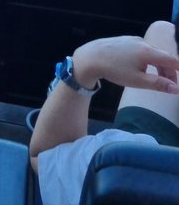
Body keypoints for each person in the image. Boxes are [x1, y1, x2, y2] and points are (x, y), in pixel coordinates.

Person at [29, 21, 179, 205]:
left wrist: (87, 61)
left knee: (162, 32)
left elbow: (45, 155)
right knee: (163, 32)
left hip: (154, 176)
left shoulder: (120, 166)